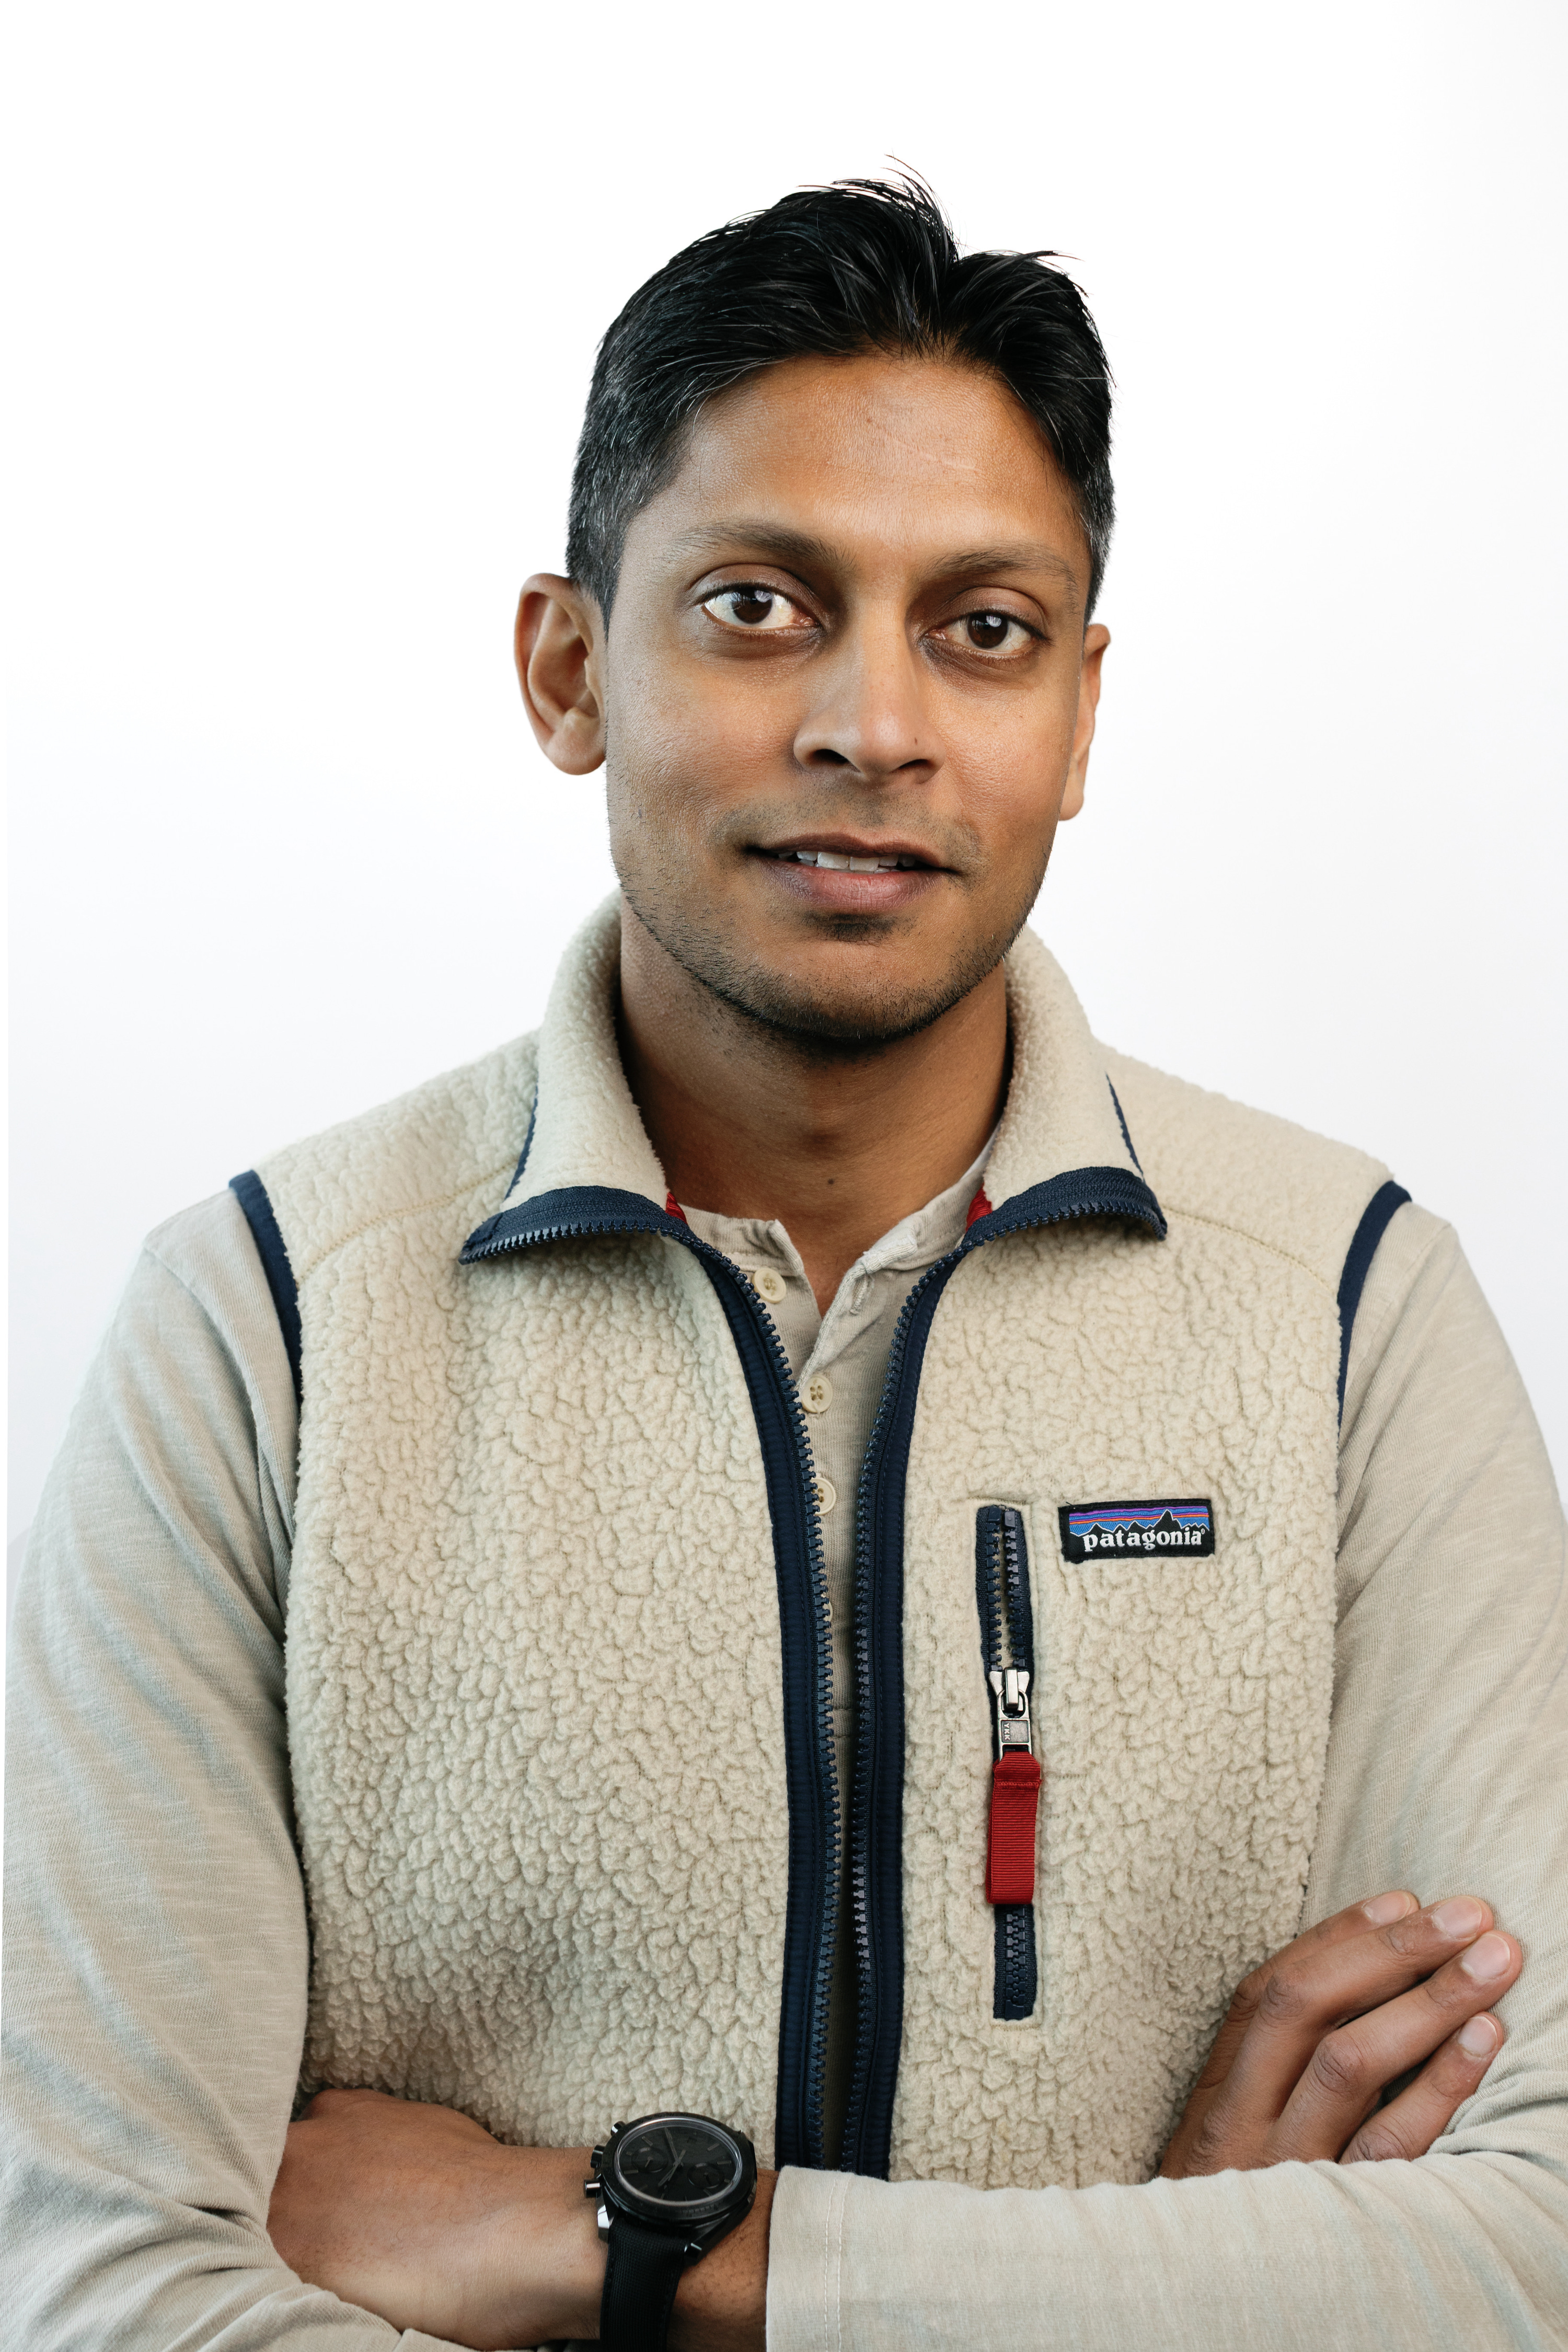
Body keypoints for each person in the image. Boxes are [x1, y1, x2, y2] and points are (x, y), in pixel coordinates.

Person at [3, 177, 1565, 2352]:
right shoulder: (261, 1329)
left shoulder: (1345, 1313)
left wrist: (630, 2247)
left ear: (1080, 717)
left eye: (985, 628)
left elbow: (1526, 2250)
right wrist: (1166, 2287)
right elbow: (101, 2279)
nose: (874, 723)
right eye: (757, 605)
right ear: (570, 669)